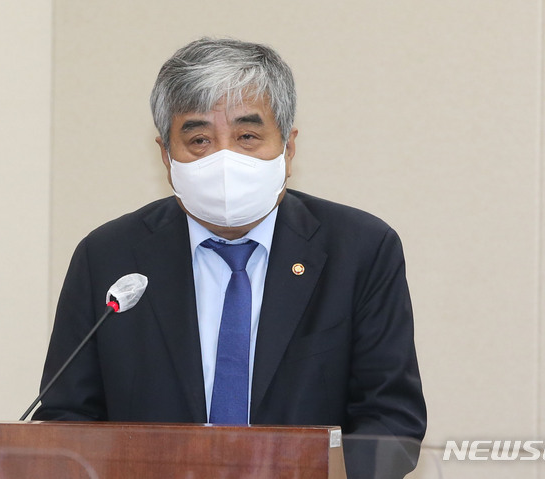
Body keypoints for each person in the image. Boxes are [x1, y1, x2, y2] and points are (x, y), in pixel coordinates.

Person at [33, 38, 426, 448]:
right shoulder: (107, 256)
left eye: (247, 136)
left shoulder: (361, 250)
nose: (224, 160)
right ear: (166, 156)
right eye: (199, 140)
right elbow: (66, 418)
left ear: (288, 148)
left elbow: (391, 422)